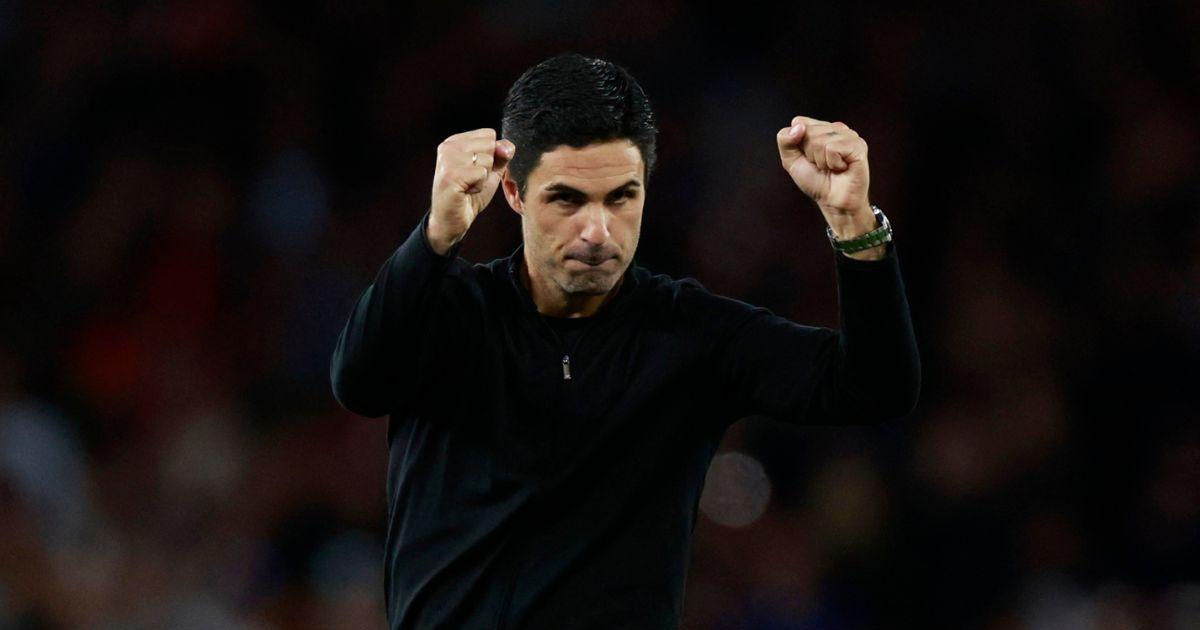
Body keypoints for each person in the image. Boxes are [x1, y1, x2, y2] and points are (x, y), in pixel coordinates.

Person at [329, 52, 920, 630]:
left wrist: (854, 224)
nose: (597, 231)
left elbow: (877, 388)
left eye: (621, 197)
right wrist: (436, 235)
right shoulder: (446, 309)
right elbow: (359, 382)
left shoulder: (692, 333)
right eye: (566, 198)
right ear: (512, 191)